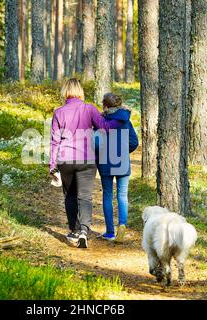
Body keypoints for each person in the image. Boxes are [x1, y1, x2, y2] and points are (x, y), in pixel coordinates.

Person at [49, 79, 124, 249]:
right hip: (87, 159)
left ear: (65, 92)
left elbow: (54, 141)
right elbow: (104, 127)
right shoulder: (89, 108)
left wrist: (52, 165)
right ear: (80, 91)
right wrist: (121, 119)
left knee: (70, 195)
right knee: (85, 196)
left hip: (65, 159)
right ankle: (84, 230)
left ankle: (74, 230)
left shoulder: (59, 112)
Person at [93, 93, 139, 243]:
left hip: (105, 163)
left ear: (105, 106)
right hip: (122, 162)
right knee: (122, 195)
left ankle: (110, 232)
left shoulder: (101, 122)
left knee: (107, 195)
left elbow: (96, 144)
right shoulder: (126, 121)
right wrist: (123, 152)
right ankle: (122, 225)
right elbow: (134, 142)